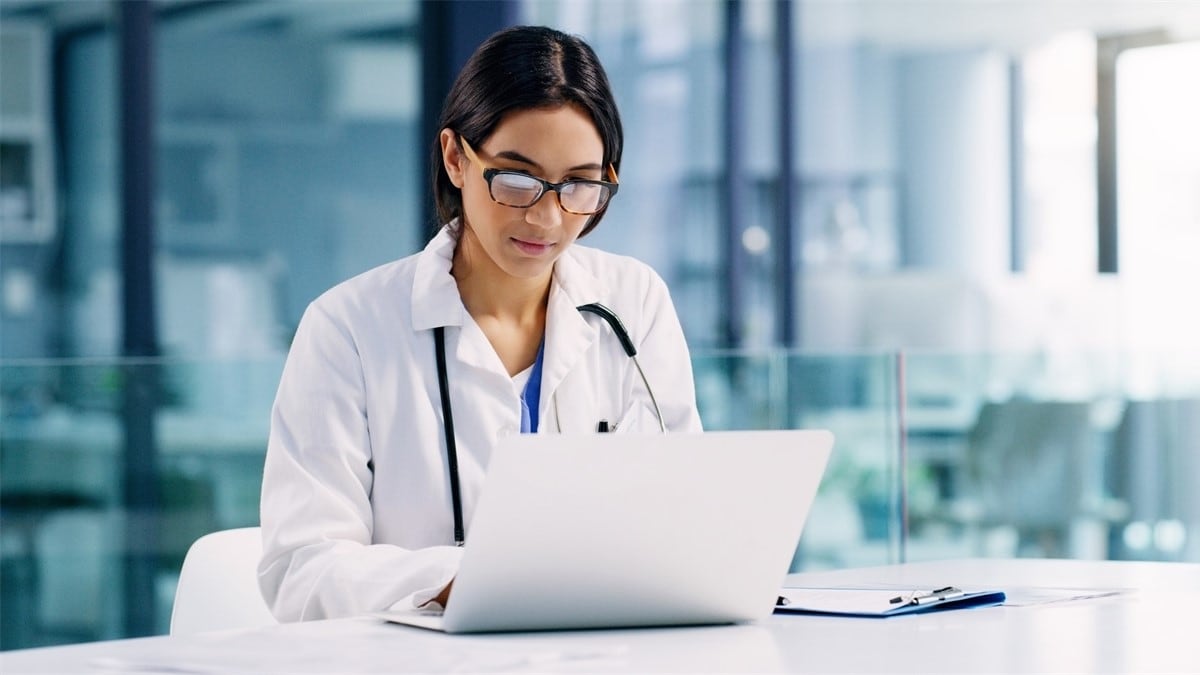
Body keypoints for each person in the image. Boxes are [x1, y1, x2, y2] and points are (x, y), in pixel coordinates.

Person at [257, 25, 702, 622]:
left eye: (579, 184)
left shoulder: (634, 302)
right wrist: (459, 581)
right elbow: (301, 569)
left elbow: (685, 511)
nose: (547, 217)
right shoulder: (348, 329)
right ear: (455, 159)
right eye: (517, 179)